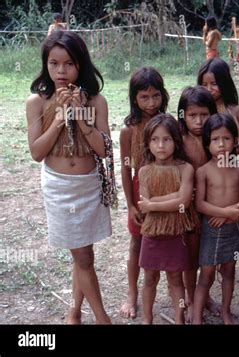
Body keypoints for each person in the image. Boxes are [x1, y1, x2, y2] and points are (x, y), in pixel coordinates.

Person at [26, 30, 113, 324]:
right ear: (45, 64)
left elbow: (103, 149)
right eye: (54, 64)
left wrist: (81, 118)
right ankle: (104, 319)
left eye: (69, 64)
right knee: (84, 257)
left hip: (88, 186)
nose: (61, 71)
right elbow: (37, 153)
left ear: (81, 65)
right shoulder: (36, 103)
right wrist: (60, 119)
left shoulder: (96, 101)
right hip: (60, 188)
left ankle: (74, 312)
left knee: (84, 254)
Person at [193, 113, 239, 324]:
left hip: (232, 229)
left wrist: (229, 214)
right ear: (207, 142)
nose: (221, 144)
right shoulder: (203, 172)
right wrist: (226, 213)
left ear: (236, 140)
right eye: (215, 139)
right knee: (206, 275)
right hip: (211, 229)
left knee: (229, 272)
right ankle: (196, 317)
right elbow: (199, 204)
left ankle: (226, 312)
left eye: (226, 138)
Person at [119, 67, 169, 319]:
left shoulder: (169, 124)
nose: (151, 103)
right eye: (144, 97)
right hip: (140, 191)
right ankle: (132, 293)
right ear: (134, 98)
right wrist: (130, 204)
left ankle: (179, 291)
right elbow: (126, 170)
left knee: (167, 238)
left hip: (166, 189)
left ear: (163, 95)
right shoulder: (129, 130)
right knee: (137, 241)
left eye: (156, 96)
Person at [136, 114, 195, 324]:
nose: (161, 145)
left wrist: (154, 204)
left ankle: (179, 317)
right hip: (152, 233)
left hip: (175, 233)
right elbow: (144, 204)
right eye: (155, 140)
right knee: (149, 278)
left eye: (167, 139)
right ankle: (147, 318)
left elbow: (184, 203)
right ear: (148, 143)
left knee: (175, 278)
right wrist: (171, 198)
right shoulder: (144, 172)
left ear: (176, 141)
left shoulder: (186, 169)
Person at [177, 85, 218, 320]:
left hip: (212, 206)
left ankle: (206, 295)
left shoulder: (216, 139)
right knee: (190, 257)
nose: (199, 121)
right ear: (183, 115)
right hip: (188, 209)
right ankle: (191, 298)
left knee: (208, 256)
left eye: (205, 114)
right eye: (193, 115)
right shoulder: (179, 139)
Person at [197, 58, 239, 146]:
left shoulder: (235, 110)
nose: (209, 89)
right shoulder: (198, 110)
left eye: (214, 84)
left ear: (224, 83)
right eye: (204, 85)